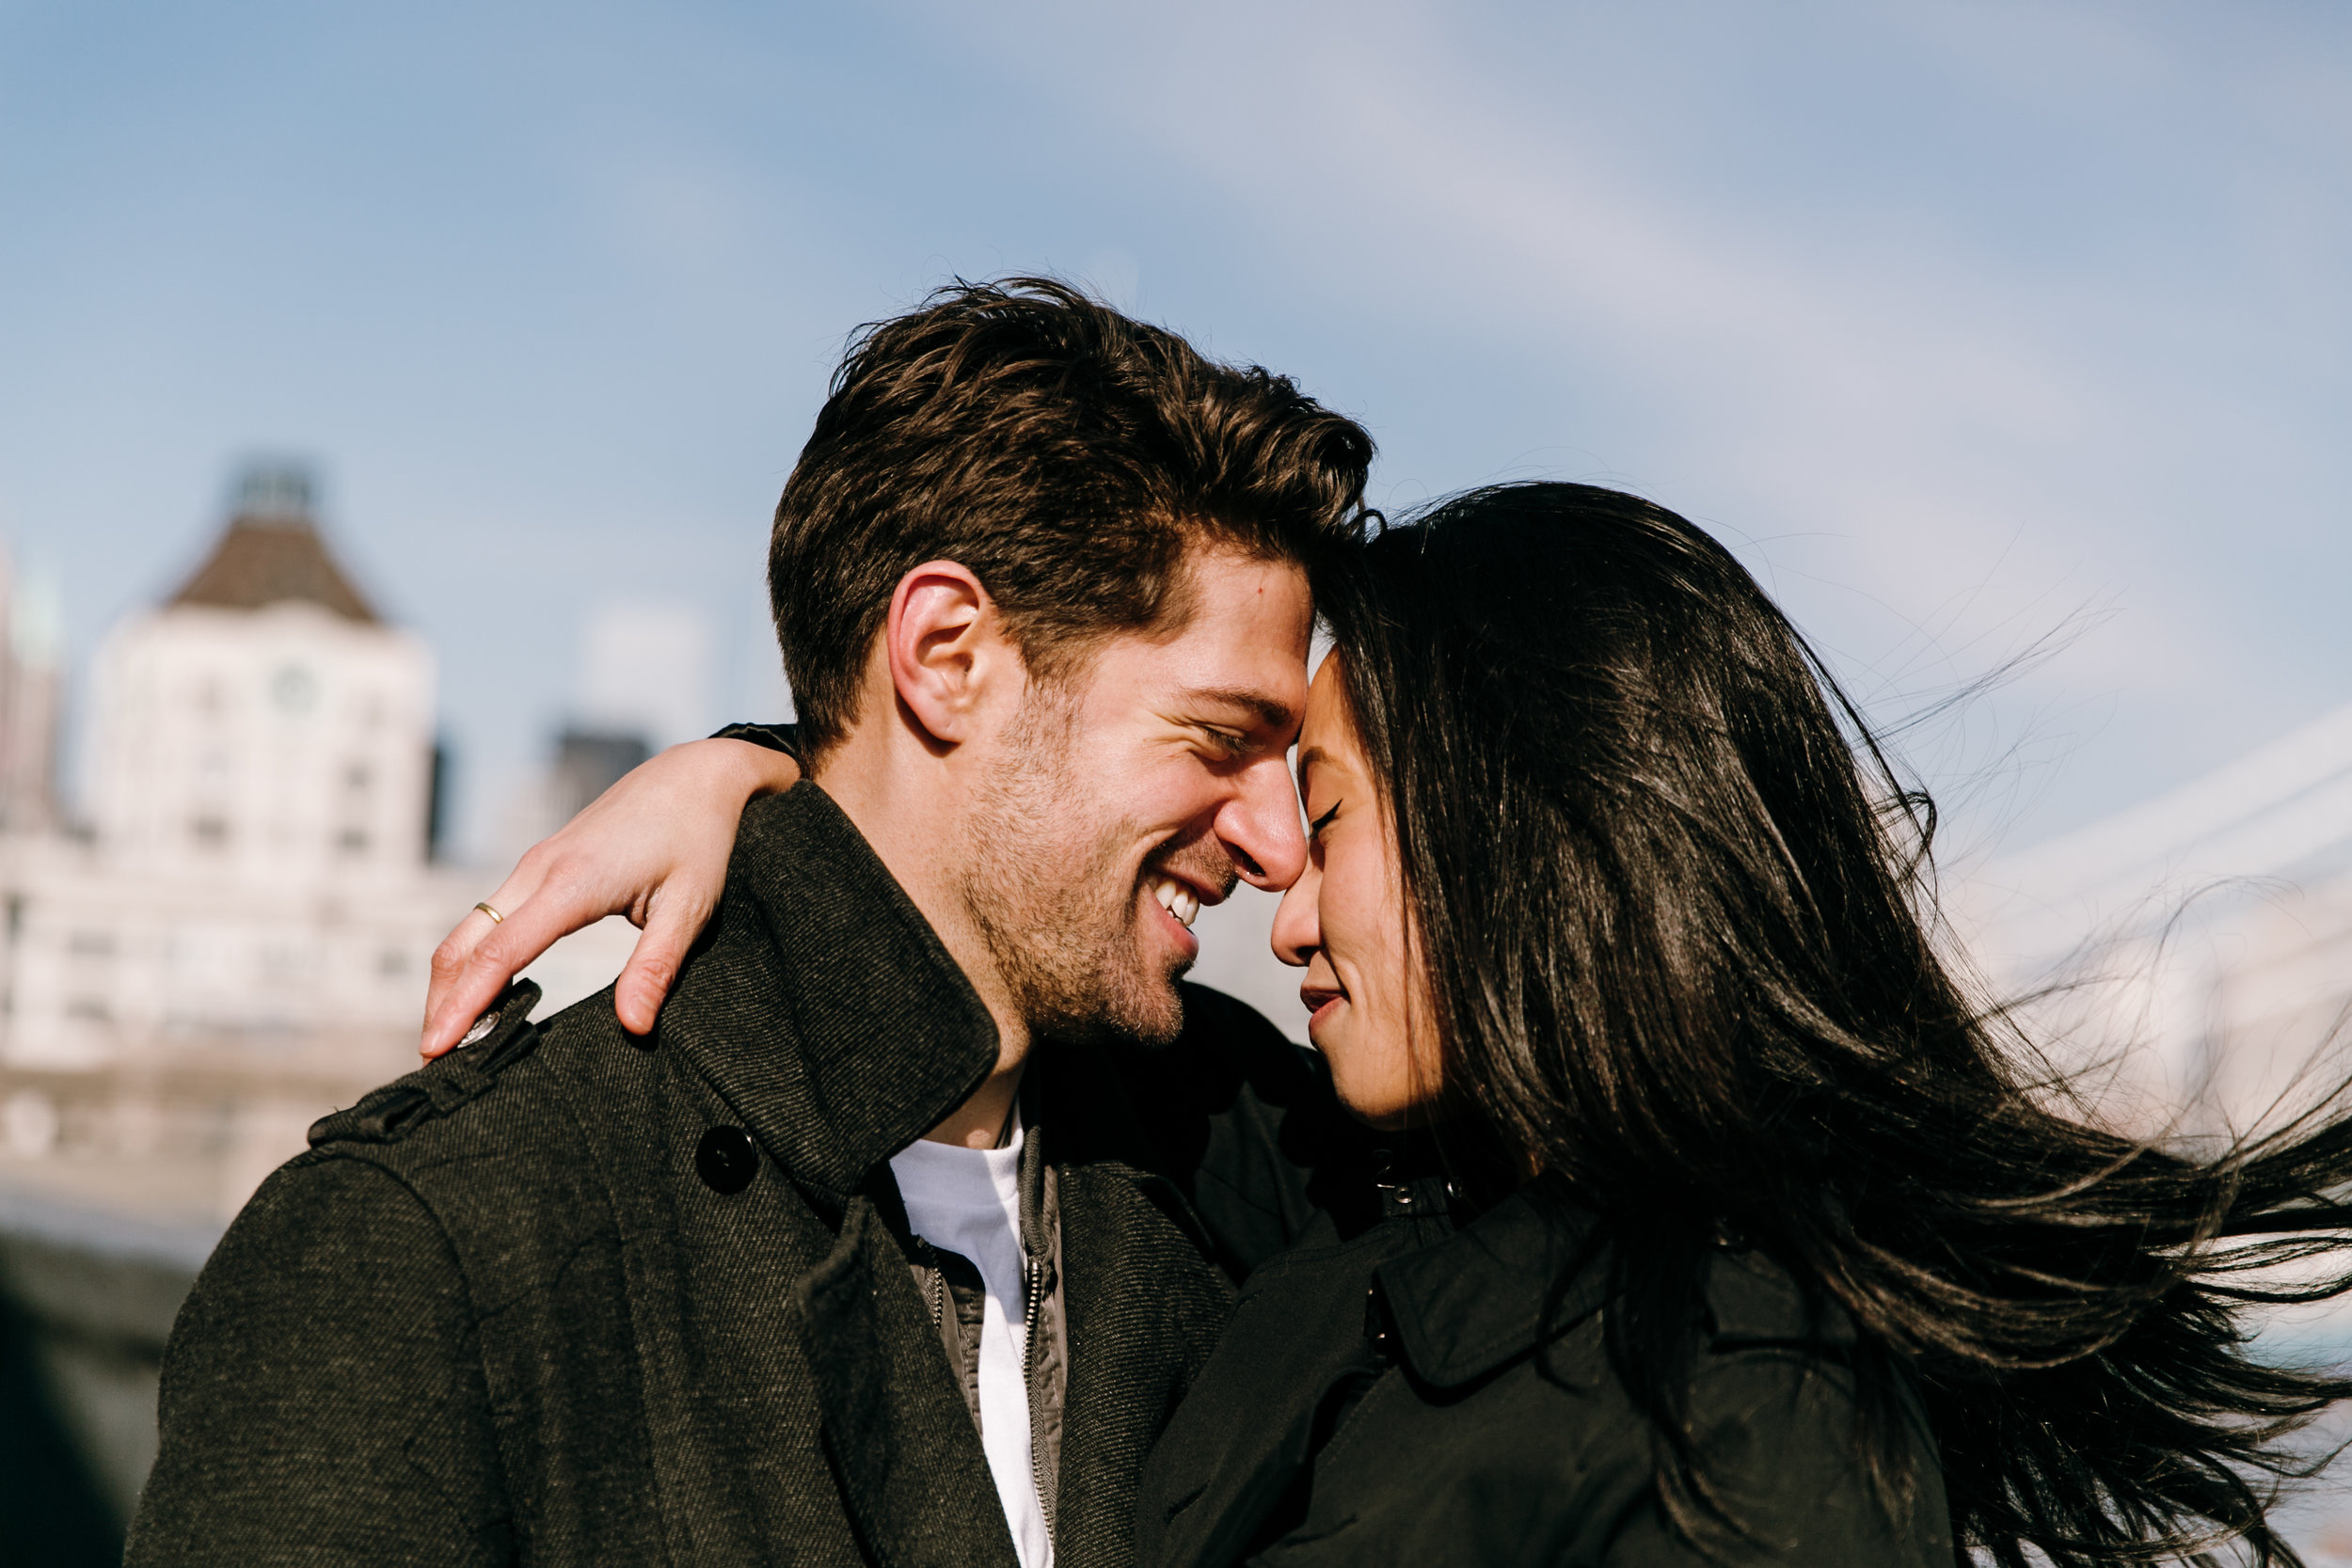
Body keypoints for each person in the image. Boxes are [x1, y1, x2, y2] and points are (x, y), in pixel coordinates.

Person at [462, 483, 2352, 1566]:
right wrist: (783, 780)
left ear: (1515, 841)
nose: (1276, 890)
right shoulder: (1359, 1214)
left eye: (1333, 815)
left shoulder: (1752, 1419)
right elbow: (1005, 930)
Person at [127, 278, 1380, 1568]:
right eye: (1222, 741)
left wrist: (767, 767)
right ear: (947, 657)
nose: (1278, 847)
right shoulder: (432, 1250)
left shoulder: (1246, 1155)